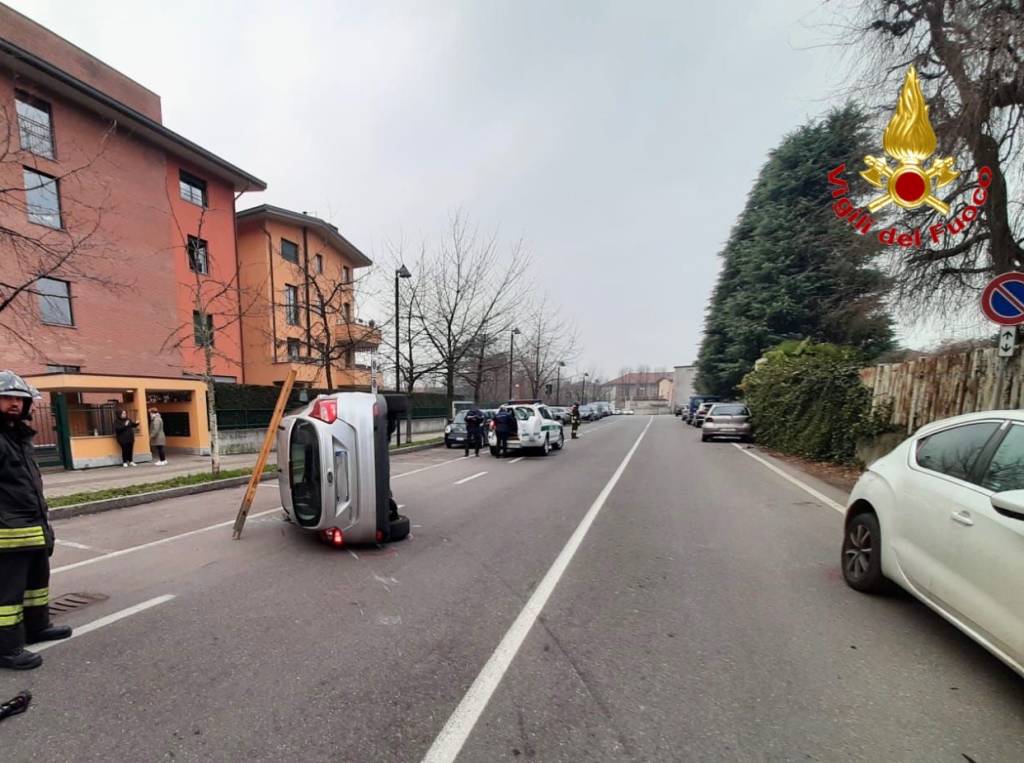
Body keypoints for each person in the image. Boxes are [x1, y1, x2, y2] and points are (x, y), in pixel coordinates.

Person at [0, 370, 72, 670]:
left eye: (20, 399)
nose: (15, 404)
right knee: (6, 597)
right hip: (7, 533)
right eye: (6, 398)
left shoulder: (18, 437)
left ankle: (36, 627)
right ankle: (6, 648)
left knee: (36, 585)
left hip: (31, 528)